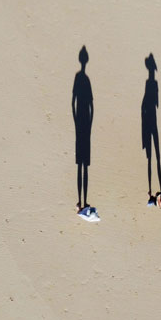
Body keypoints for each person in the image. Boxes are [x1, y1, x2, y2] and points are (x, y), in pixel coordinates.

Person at [141, 53, 161, 208]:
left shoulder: (151, 84)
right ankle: (152, 194)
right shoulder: (152, 84)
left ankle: (152, 193)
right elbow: (152, 103)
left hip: (149, 120)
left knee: (153, 157)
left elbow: (148, 104)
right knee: (154, 157)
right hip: (151, 121)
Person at [72, 46, 93, 212]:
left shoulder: (79, 78)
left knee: (80, 165)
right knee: (84, 165)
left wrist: (75, 120)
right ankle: (83, 201)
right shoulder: (85, 79)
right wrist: (90, 123)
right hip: (85, 122)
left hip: (80, 121)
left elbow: (73, 102)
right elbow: (92, 106)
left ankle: (80, 202)